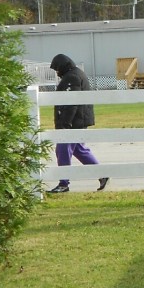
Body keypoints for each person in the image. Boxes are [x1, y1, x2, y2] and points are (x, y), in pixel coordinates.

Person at [47, 53, 109, 193]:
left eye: (57, 69)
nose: (57, 72)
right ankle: (102, 174)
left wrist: (66, 123)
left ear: (63, 66)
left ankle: (63, 184)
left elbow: (72, 102)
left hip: (73, 122)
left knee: (62, 150)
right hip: (78, 120)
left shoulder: (72, 77)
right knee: (79, 150)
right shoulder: (76, 74)